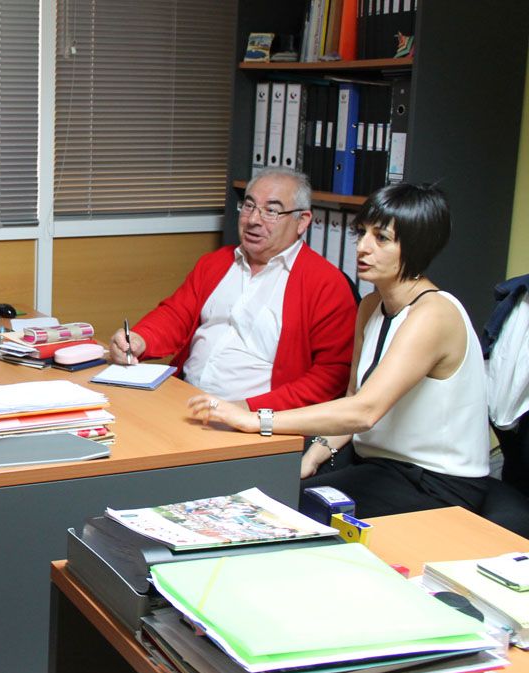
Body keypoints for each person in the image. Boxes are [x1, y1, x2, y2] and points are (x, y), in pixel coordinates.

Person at [189, 183, 490, 518]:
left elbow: (364, 411)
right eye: (362, 234)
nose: (362, 247)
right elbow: (352, 397)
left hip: (434, 483)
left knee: (282, 513)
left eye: (382, 238)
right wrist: (313, 456)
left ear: (416, 246)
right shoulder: (373, 305)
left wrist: (254, 419)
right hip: (378, 465)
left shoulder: (432, 314)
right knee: (263, 494)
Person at [111, 167, 357, 411]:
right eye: (249, 206)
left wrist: (247, 410)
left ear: (302, 221)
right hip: (185, 403)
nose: (253, 220)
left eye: (271, 211)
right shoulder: (215, 263)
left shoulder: (326, 284)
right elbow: (176, 315)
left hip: (260, 422)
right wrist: (140, 339)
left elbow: (331, 376)